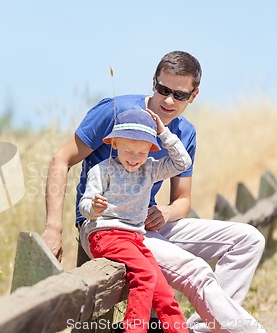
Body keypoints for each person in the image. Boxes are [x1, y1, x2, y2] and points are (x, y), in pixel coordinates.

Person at [41, 50, 267, 333]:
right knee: (196, 270)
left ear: (193, 96)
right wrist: (53, 228)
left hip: (145, 223)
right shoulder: (114, 111)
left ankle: (206, 328)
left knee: (249, 239)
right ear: (153, 82)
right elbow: (61, 160)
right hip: (107, 227)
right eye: (163, 89)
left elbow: (183, 200)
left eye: (180, 95)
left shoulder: (185, 132)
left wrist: (167, 211)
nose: (169, 100)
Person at [79, 108, 191, 333]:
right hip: (106, 235)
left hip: (135, 239)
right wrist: (94, 208)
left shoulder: (149, 169)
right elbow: (84, 206)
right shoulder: (102, 171)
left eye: (141, 152)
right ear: (115, 144)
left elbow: (183, 162)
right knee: (145, 275)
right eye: (128, 150)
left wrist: (163, 131)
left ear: (150, 149)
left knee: (164, 292)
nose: (134, 158)